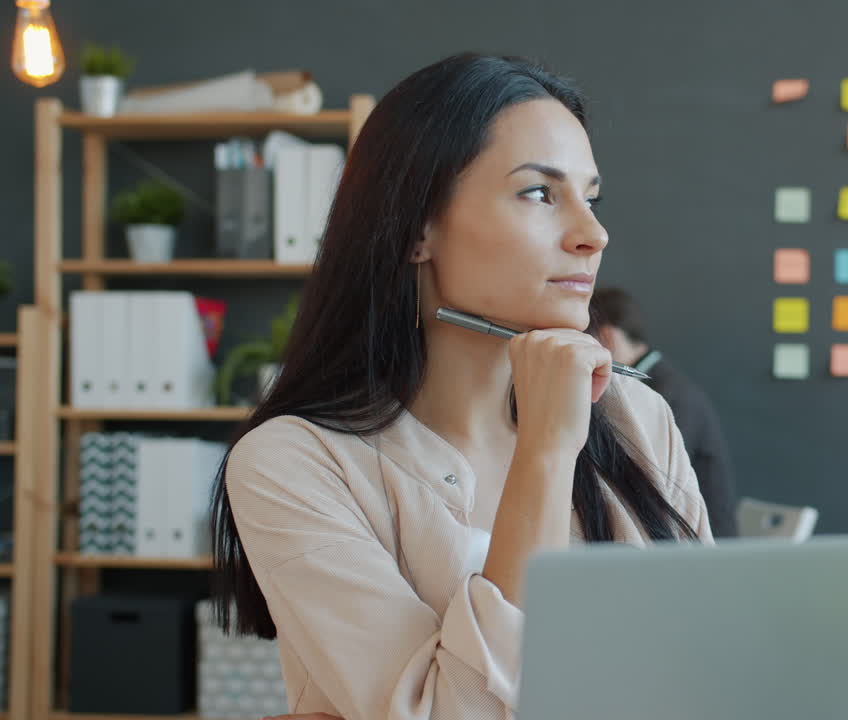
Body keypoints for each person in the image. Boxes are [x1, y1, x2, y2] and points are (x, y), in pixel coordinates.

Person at [210, 53, 713, 720]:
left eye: (590, 198)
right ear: (417, 227)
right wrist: (547, 448)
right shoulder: (294, 462)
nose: (593, 235)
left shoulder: (636, 415)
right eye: (539, 192)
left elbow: (707, 672)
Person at [591, 289, 739, 537]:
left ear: (606, 337)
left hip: (701, 555)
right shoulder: (663, 384)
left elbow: (648, 481)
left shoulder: (662, 396)